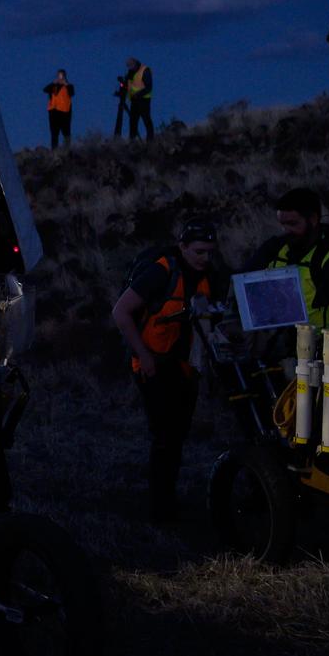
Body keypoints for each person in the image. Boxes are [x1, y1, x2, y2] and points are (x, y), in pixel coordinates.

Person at [113, 217, 227, 522]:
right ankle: (160, 509)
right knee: (165, 435)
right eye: (199, 252)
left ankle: (167, 499)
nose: (205, 258)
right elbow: (121, 312)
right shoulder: (161, 271)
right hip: (153, 365)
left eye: (209, 252)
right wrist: (144, 356)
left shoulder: (210, 277)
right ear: (183, 247)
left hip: (184, 367)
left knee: (177, 434)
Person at [245, 188, 329, 329]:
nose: (285, 230)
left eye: (292, 224)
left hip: (318, 344)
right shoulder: (274, 249)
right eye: (282, 224)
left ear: (313, 219)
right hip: (275, 342)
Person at [43, 69, 74, 149]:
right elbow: (45, 89)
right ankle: (54, 152)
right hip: (53, 113)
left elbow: (72, 93)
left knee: (66, 133)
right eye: (59, 75)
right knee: (54, 133)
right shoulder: (53, 86)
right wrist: (54, 82)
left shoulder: (69, 86)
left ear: (65, 76)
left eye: (62, 75)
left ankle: (67, 150)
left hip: (65, 114)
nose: (60, 77)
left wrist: (66, 84)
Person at [124, 57, 154, 141]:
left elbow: (149, 87)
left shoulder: (145, 71)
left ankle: (150, 140)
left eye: (130, 66)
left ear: (135, 64)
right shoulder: (131, 72)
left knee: (146, 119)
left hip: (144, 100)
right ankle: (132, 141)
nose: (129, 68)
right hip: (134, 100)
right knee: (133, 121)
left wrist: (138, 94)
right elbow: (129, 84)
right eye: (128, 66)